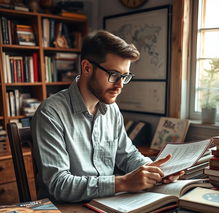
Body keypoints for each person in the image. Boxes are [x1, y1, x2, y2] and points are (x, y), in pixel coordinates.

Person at [32, 30, 184, 202]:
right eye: (114, 75)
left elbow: (127, 155)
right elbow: (59, 185)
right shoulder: (50, 113)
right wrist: (123, 182)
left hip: (106, 205)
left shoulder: (111, 110)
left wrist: (155, 171)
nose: (120, 85)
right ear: (87, 68)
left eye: (125, 77)